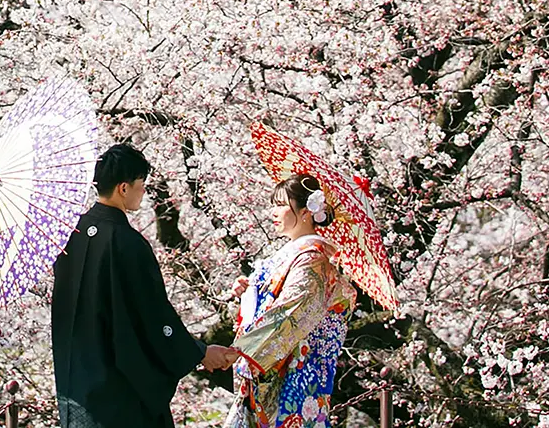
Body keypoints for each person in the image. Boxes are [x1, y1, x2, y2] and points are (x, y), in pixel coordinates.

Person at [52, 143, 237, 428]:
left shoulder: (68, 236)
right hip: (120, 388)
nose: (144, 191)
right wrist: (199, 353)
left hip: (78, 382)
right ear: (123, 188)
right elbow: (153, 315)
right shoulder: (127, 242)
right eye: (141, 184)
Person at [225, 175, 357, 428]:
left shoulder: (313, 259)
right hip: (274, 366)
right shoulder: (293, 255)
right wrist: (249, 292)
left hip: (294, 369)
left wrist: (243, 351)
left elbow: (290, 312)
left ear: (306, 212)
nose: (273, 212)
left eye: (281, 205)